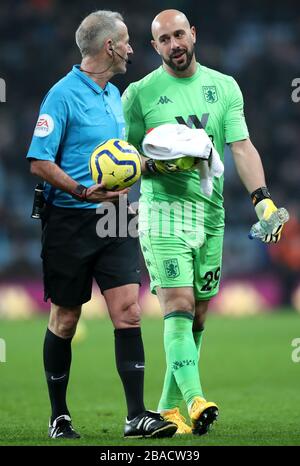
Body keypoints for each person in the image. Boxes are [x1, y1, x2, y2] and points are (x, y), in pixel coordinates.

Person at [122, 9, 286, 435]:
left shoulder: (224, 86)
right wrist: (158, 165)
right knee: (176, 306)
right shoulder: (138, 95)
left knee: (196, 316)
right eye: (164, 39)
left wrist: (262, 201)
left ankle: (168, 409)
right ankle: (196, 400)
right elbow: (122, 159)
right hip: (162, 215)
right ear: (154, 46)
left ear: (192, 34)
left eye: (180, 35)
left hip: (210, 216)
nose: (174, 44)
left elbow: (242, 146)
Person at [27, 10, 177, 440]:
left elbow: (122, 160)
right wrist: (80, 191)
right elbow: (39, 160)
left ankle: (136, 416)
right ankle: (59, 416)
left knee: (129, 312)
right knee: (67, 318)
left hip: (115, 217)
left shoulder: (115, 94)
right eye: (127, 41)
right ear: (109, 46)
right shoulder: (61, 95)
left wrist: (158, 165)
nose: (132, 48)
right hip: (70, 220)